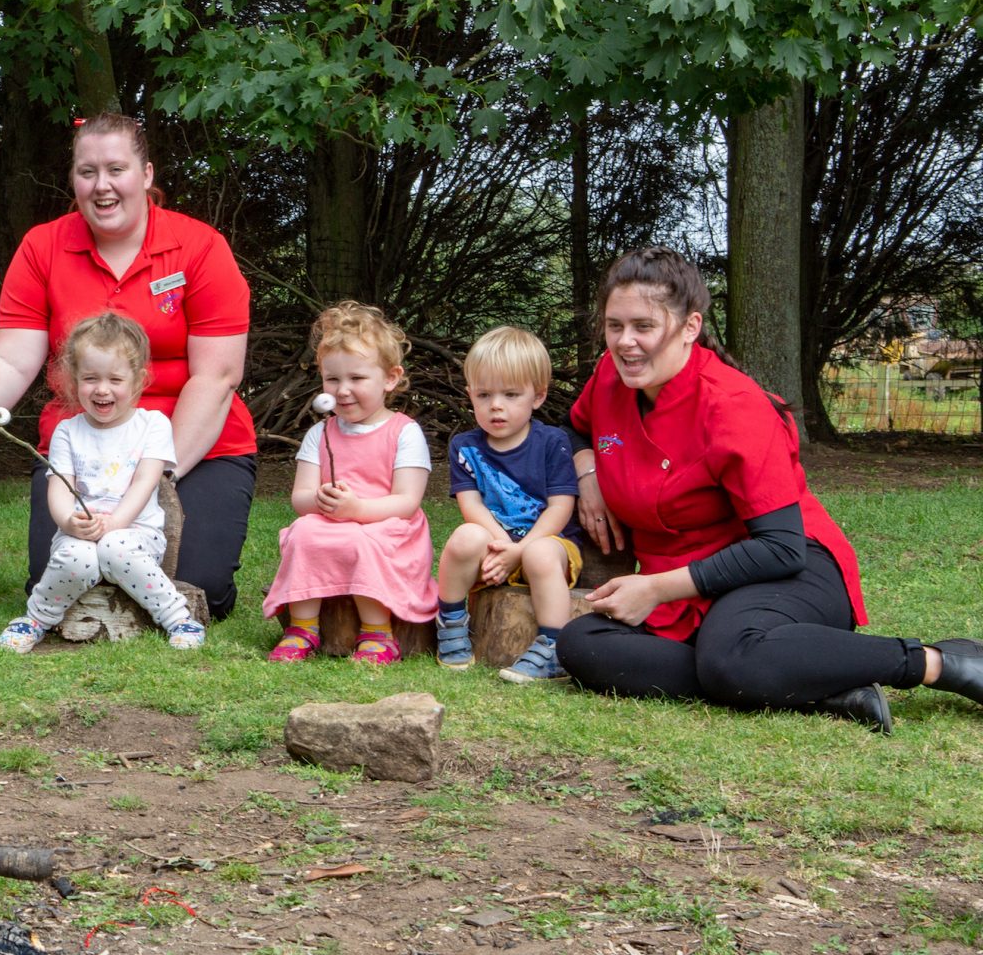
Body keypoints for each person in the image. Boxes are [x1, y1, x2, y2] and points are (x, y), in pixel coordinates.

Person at [558, 245, 983, 733]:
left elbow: (780, 549)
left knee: (731, 658)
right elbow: (576, 428)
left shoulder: (735, 406)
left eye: (644, 327)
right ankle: (810, 685)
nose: (626, 342)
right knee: (582, 644)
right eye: (615, 326)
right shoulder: (611, 378)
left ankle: (937, 661)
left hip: (784, 571)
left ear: (690, 328)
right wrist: (587, 471)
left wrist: (655, 588)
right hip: (687, 584)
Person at [0, 113, 255, 620]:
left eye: (117, 169)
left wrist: (153, 475)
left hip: (195, 447)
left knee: (197, 586)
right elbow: (8, 359)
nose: (102, 185)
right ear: (73, 179)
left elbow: (217, 376)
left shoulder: (199, 247)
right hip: (82, 445)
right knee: (58, 579)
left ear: (147, 175)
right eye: (87, 171)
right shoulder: (43, 247)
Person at [0, 313, 207, 653]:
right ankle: (35, 619)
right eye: (90, 378)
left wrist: (117, 523)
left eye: (115, 379)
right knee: (77, 557)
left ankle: (177, 617)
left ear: (138, 380)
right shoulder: (68, 431)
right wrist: (68, 521)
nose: (102, 389)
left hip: (136, 534)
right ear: (74, 379)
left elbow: (145, 481)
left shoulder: (152, 426)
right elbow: (62, 488)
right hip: (80, 533)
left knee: (115, 546)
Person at [262, 302, 437, 665]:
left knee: (362, 538)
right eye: (332, 379)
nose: (342, 390)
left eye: (357, 379)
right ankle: (303, 626)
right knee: (305, 531)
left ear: (390, 378)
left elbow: (407, 501)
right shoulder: (319, 433)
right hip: (332, 523)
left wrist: (359, 510)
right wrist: (320, 500)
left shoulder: (404, 432)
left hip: (388, 526)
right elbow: (301, 497)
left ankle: (378, 633)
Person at [435, 326, 586, 683]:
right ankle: (451, 620)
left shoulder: (553, 442)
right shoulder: (465, 446)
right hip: (494, 545)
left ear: (538, 396)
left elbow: (560, 508)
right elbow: (471, 504)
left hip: (550, 544)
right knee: (464, 537)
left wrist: (519, 550)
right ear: (470, 395)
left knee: (540, 554)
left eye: (511, 394)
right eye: (484, 394)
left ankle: (553, 646)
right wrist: (503, 546)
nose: (496, 405)